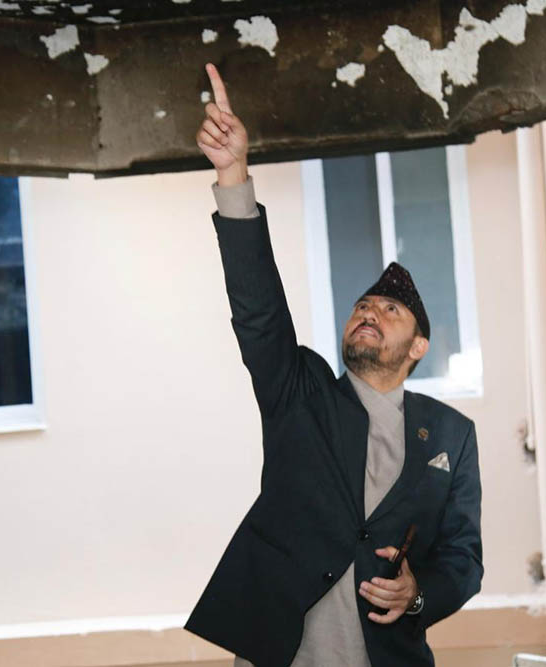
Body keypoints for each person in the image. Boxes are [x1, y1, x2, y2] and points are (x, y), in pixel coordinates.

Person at [184, 63, 483, 667]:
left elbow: (463, 558)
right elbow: (260, 312)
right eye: (363, 305)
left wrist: (417, 593)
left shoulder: (451, 435)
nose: (370, 311)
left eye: (391, 310)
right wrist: (233, 176)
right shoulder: (301, 395)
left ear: (418, 347)